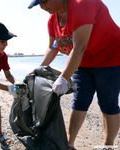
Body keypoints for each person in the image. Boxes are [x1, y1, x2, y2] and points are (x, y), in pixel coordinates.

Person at [28, 0, 120, 149]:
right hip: (83, 62)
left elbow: (79, 47)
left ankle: (108, 145)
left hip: (111, 59)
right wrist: (38, 71)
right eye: (39, 4)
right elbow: (52, 48)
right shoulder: (52, 20)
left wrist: (63, 78)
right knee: (79, 101)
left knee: (108, 103)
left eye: (44, 1)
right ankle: (69, 144)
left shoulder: (82, 4)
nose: (42, 7)